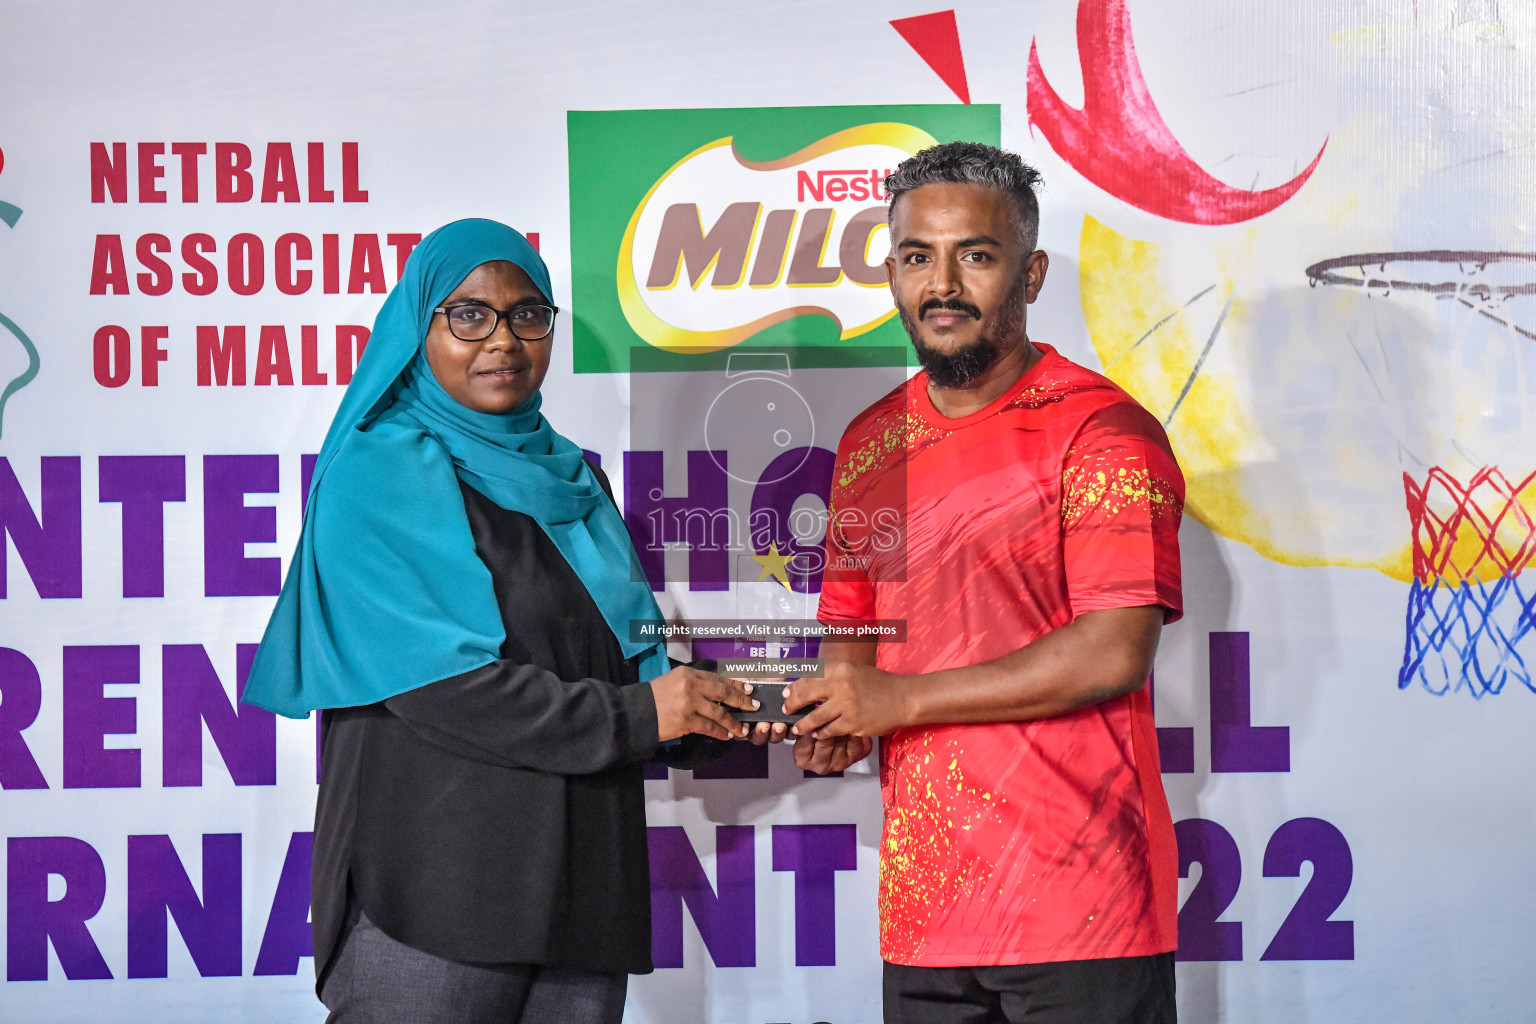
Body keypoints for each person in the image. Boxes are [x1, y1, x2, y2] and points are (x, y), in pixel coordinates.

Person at [241, 219, 757, 1024]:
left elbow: (633, 672)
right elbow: (444, 688)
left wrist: (752, 708)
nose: (504, 340)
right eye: (469, 314)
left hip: (582, 895)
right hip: (438, 895)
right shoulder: (380, 471)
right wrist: (642, 712)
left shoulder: (574, 483)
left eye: (527, 314)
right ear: (420, 326)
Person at [783, 143, 1185, 1023]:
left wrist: (897, 702)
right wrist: (835, 721)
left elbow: (1113, 651)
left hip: (1081, 908)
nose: (943, 284)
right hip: (925, 918)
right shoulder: (869, 445)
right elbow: (853, 654)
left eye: (976, 254)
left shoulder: (1106, 432)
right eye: (918, 256)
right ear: (891, 271)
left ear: (1031, 273)